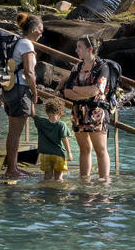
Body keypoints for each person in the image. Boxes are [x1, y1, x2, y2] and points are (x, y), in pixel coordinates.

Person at [62, 34, 113, 180]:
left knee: (100, 149)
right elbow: (67, 92)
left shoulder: (102, 67)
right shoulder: (77, 67)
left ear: (90, 49)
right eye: (76, 46)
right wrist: (85, 94)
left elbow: (95, 91)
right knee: (84, 149)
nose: (76, 50)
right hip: (79, 112)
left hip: (96, 112)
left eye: (79, 47)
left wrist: (77, 90)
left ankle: (104, 181)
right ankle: (85, 181)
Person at [2, 12, 43, 179]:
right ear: (32, 29)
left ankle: (13, 167)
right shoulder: (26, 44)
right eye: (40, 30)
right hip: (20, 89)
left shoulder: (18, 42)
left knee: (13, 131)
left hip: (10, 89)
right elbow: (28, 72)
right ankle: (12, 169)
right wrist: (35, 92)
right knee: (15, 132)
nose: (41, 33)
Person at [33, 97, 76, 182]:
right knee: (59, 177)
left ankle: (46, 190)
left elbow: (32, 114)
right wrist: (69, 153)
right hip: (58, 154)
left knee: (47, 175)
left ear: (47, 112)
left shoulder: (41, 122)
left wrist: (31, 102)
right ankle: (58, 192)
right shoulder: (61, 125)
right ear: (60, 113)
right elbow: (64, 139)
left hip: (45, 154)